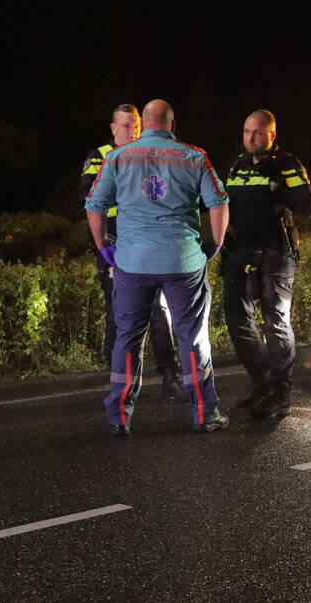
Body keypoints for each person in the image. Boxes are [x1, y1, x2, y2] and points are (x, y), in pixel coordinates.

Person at [85, 99, 230, 435]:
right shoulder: (194, 156)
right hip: (182, 260)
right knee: (191, 338)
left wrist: (103, 246)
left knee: (128, 338)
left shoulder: (117, 157)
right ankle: (205, 414)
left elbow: (94, 205)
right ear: (171, 123)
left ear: (144, 123)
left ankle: (119, 417)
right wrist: (216, 244)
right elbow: (219, 203)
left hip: (132, 262)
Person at [80, 103, 183, 400]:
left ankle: (170, 375)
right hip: (115, 248)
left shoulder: (147, 155)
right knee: (119, 317)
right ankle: (118, 385)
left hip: (147, 247)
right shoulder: (99, 157)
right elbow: (90, 200)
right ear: (113, 129)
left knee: (159, 314)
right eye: (126, 126)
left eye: (136, 125)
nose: (132, 131)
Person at [222, 109, 311, 417]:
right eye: (247, 131)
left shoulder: (286, 164)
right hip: (241, 251)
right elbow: (223, 204)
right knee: (237, 319)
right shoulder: (237, 165)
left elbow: (308, 206)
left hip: (276, 251)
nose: (250, 137)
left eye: (257, 133)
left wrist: (280, 191)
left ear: (271, 135)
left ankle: (280, 391)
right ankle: (260, 381)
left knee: (275, 319)